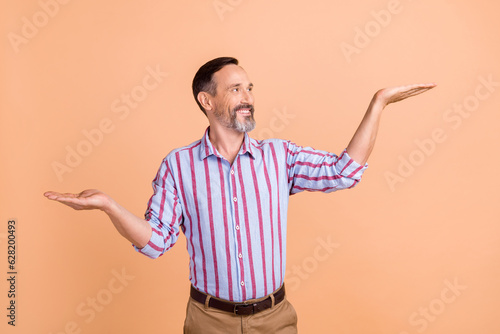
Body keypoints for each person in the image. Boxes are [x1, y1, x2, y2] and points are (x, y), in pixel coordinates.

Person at [44, 57, 435, 333]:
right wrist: (109, 206)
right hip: (208, 322)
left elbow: (344, 171)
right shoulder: (178, 167)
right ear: (207, 101)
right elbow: (156, 241)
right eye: (235, 88)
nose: (247, 95)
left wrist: (378, 103)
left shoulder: (280, 157)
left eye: (249, 87)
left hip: (275, 319)